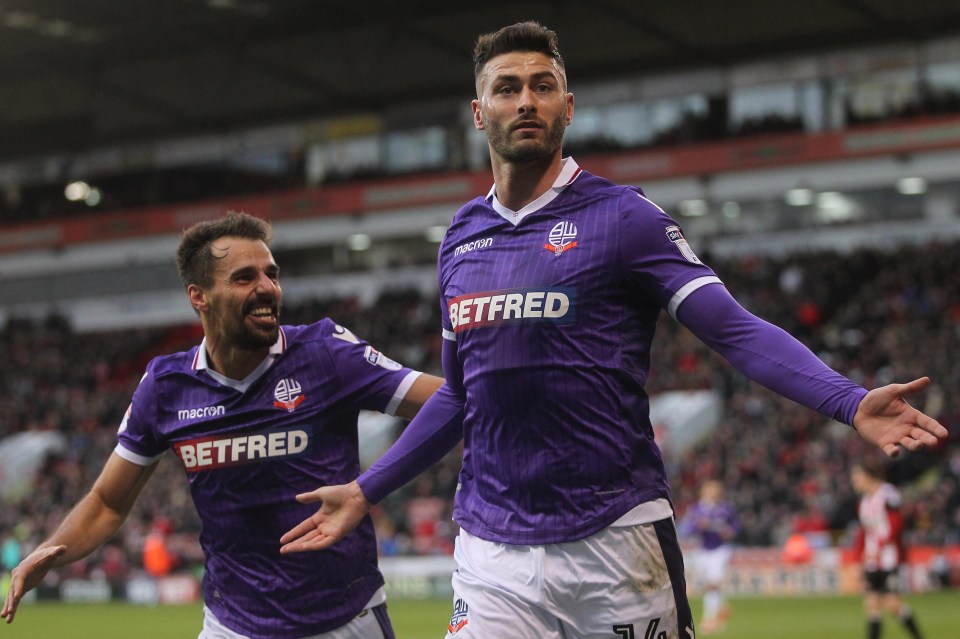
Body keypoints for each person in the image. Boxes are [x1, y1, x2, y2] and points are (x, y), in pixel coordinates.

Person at [278, 21, 949, 639]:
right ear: (480, 113)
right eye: (507, 88)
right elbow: (459, 396)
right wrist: (367, 490)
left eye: (544, 86)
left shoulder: (624, 219)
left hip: (616, 540)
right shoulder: (460, 239)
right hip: (491, 549)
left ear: (568, 107)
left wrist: (848, 400)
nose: (527, 101)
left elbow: (735, 330)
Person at [1, 211, 443, 639]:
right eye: (245, 277)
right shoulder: (166, 386)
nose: (268, 287)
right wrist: (48, 551)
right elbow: (107, 503)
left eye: (271, 274)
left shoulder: (325, 353)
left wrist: (369, 488)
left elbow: (448, 401)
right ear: (199, 296)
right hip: (232, 626)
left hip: (344, 620)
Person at [850, 458, 926, 639]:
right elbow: (863, 533)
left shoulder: (888, 494)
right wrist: (857, 559)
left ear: (868, 475)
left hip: (889, 559)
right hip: (872, 561)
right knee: (872, 605)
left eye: (857, 476)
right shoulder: (864, 503)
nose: (854, 481)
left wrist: (880, 546)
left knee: (893, 604)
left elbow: (897, 524)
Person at [679, 480, 739, 635]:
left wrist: (730, 531)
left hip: (720, 550)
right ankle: (722, 606)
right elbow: (687, 529)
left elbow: (736, 525)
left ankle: (709, 619)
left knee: (713, 583)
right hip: (702, 549)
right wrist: (698, 526)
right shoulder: (697, 509)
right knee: (709, 584)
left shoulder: (725, 508)